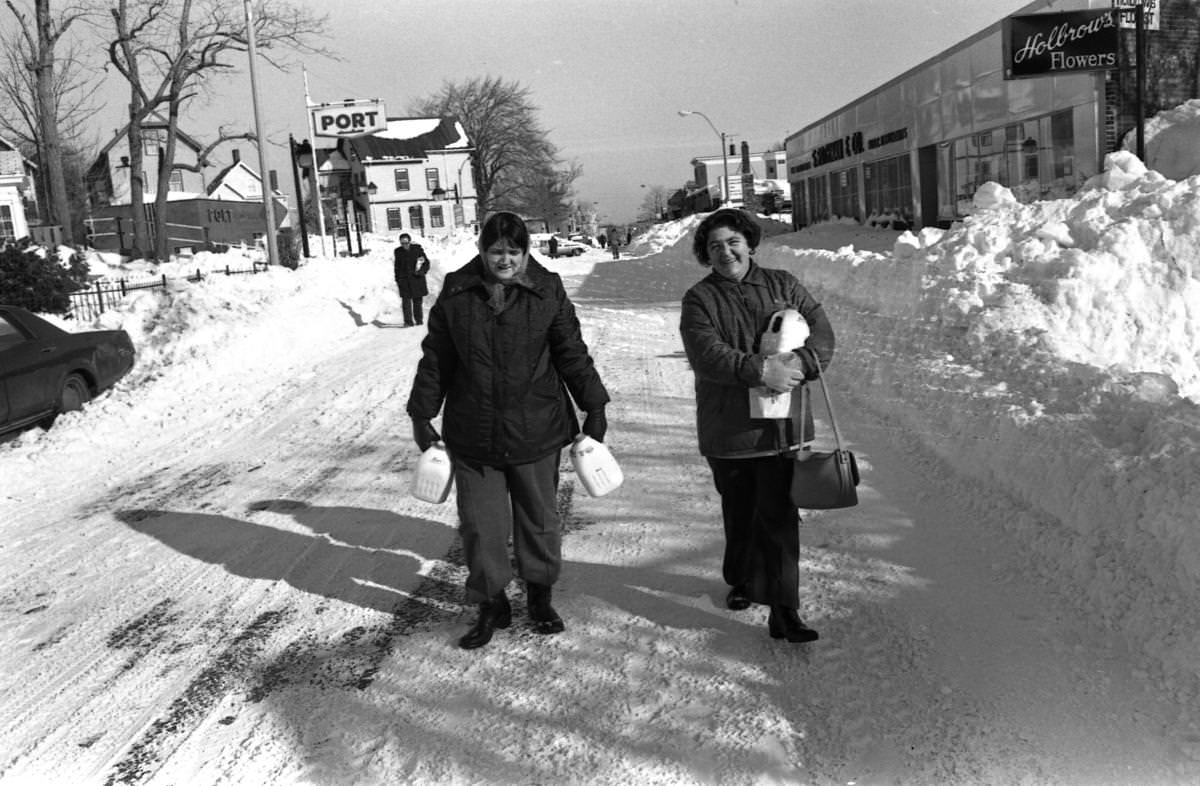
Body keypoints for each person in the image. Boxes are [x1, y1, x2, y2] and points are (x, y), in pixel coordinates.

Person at [407, 211, 611, 650]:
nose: (504, 260)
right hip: (473, 431)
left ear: (526, 252)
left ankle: (539, 594)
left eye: (513, 251)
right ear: (482, 250)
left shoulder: (547, 290)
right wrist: (422, 413)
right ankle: (490, 601)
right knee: (480, 525)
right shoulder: (458, 292)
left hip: (535, 428)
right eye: (495, 250)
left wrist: (594, 404)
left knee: (538, 519)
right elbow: (437, 358)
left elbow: (571, 352)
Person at [679, 208, 835, 644]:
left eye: (732, 242)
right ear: (705, 255)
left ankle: (785, 610)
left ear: (749, 242)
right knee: (742, 512)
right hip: (729, 429)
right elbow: (706, 355)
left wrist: (802, 363)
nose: (725, 252)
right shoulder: (700, 299)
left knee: (780, 517)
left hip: (783, 427)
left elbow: (822, 334)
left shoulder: (783, 284)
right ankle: (742, 577)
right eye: (714, 246)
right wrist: (760, 370)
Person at [394, 233, 430, 327]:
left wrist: (421, 272)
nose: (404, 245)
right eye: (402, 243)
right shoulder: (398, 252)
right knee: (406, 302)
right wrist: (397, 279)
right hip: (404, 280)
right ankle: (408, 321)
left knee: (417, 301)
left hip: (417, 279)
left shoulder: (417, 250)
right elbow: (397, 267)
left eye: (406, 243)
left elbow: (426, 263)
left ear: (409, 242)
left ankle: (418, 320)